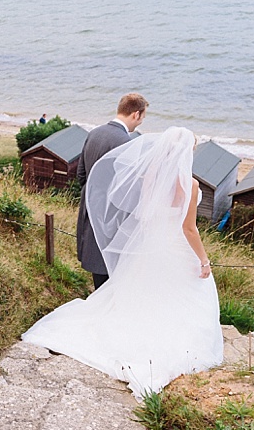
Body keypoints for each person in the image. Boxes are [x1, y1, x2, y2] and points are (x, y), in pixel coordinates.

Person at [22, 127, 222, 398]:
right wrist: (204, 260)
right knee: (183, 295)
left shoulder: (150, 176)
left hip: (150, 244)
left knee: (141, 293)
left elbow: (144, 214)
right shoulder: (191, 184)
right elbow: (189, 230)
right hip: (175, 246)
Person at [76, 92, 148, 289]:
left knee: (97, 270)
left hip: (90, 207)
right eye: (142, 118)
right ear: (136, 114)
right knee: (112, 275)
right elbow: (128, 189)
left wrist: (94, 196)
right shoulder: (126, 143)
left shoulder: (94, 133)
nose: (140, 123)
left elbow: (81, 175)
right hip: (112, 217)